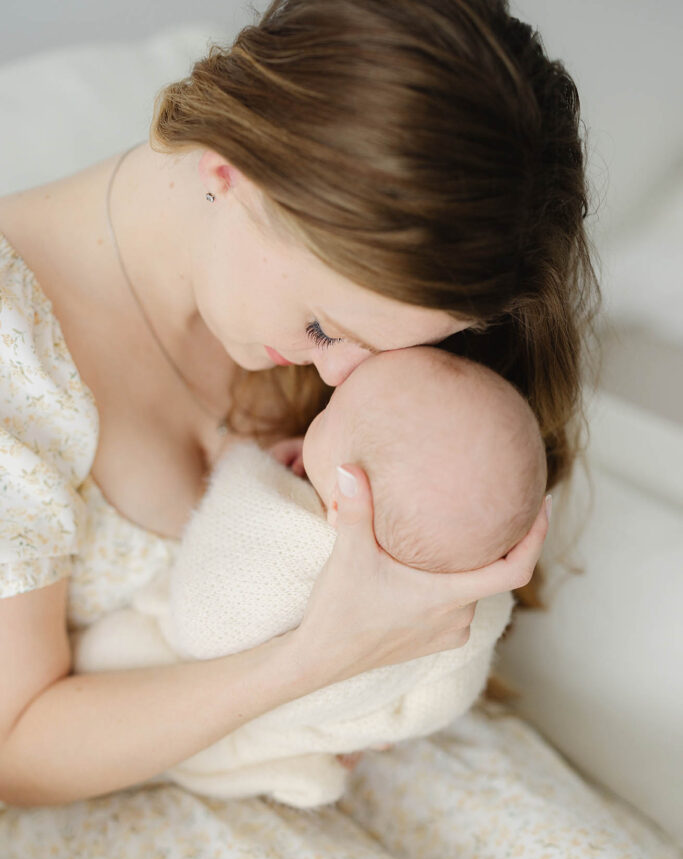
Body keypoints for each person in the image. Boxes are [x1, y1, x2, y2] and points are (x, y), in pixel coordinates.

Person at [0, 0, 594, 809]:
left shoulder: (340, 310)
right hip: (94, 817)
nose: (345, 374)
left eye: (385, 349)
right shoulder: (16, 351)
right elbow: (13, 754)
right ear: (226, 173)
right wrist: (320, 660)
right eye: (323, 326)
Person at [71, 347, 547, 806]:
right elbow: (443, 693)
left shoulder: (279, 526)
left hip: (203, 690)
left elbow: (204, 627)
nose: (316, 415)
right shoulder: (471, 600)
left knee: (114, 650)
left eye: (326, 417)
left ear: (345, 494)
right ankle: (292, 754)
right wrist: (372, 719)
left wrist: (259, 473)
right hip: (314, 722)